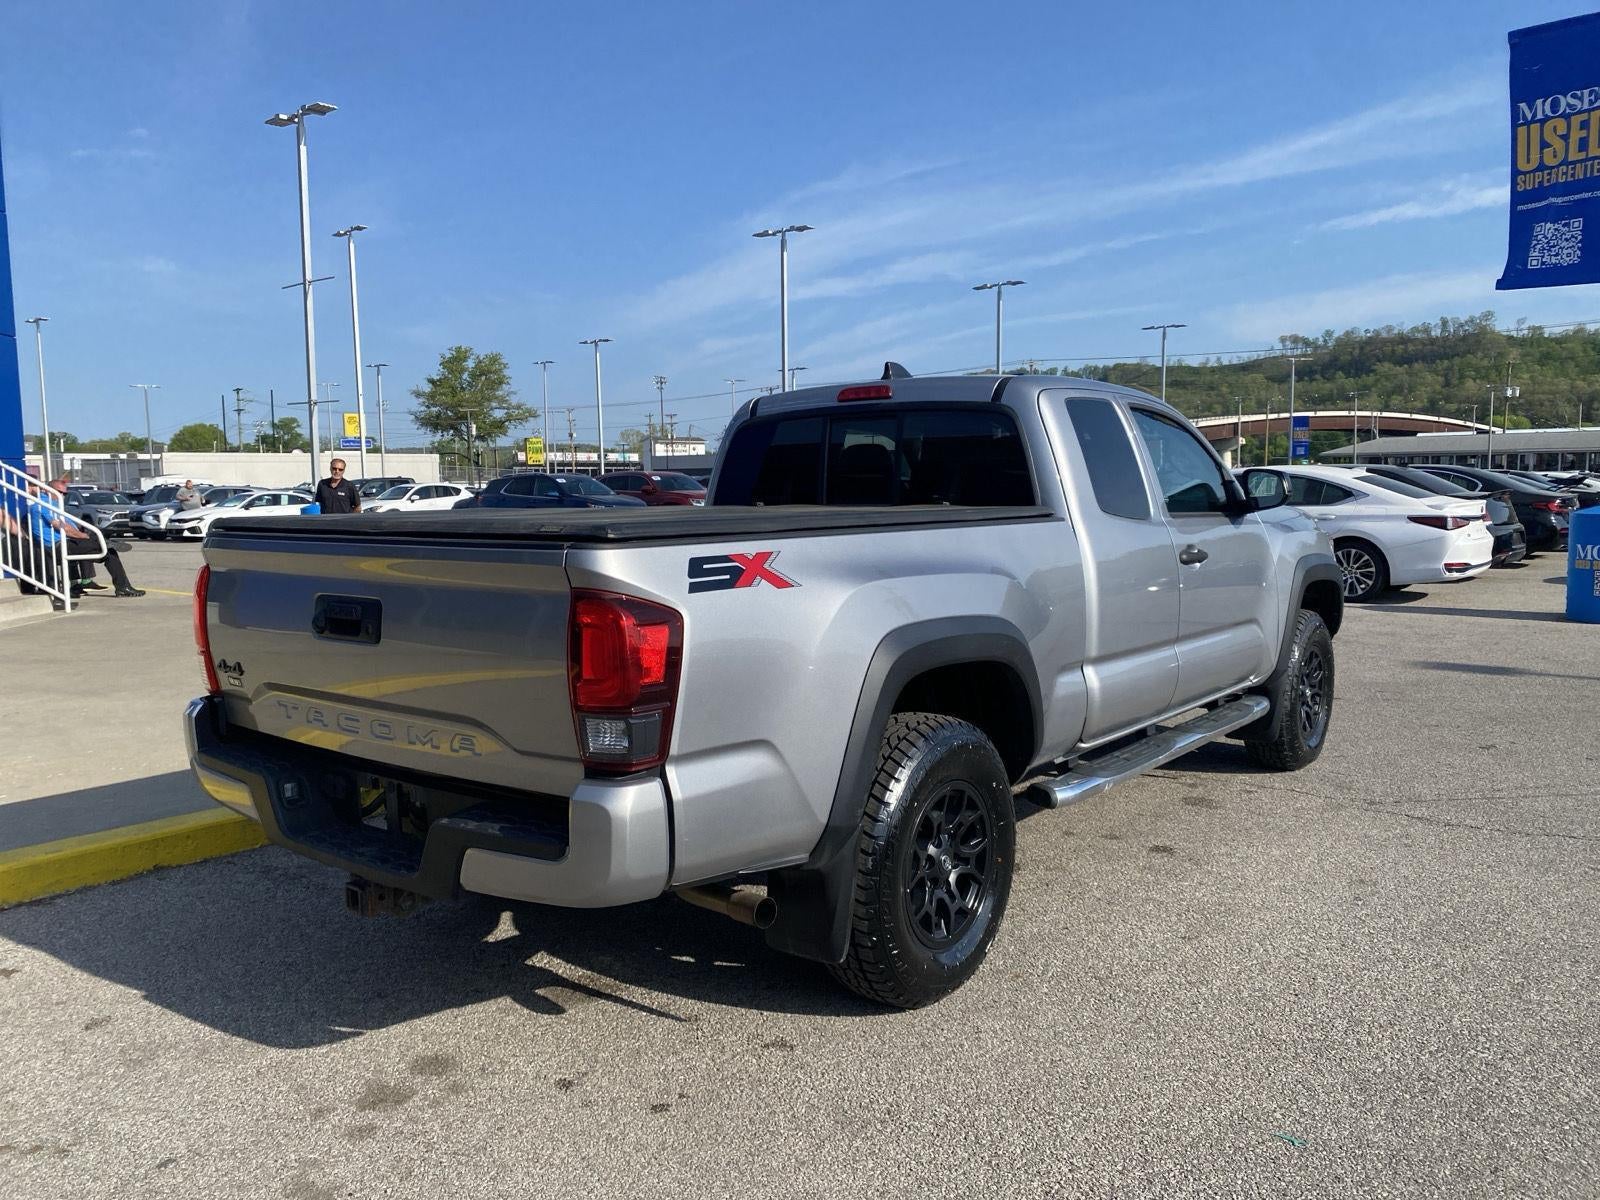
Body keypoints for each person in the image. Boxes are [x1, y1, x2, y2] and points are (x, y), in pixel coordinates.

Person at [38, 480, 145, 600]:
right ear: (49, 490)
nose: (63, 496)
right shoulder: (44, 504)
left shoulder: (54, 504)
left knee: (108, 552)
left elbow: (68, 525)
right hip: (58, 545)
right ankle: (105, 545)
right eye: (60, 493)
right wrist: (83, 536)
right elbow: (63, 527)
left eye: (65, 494)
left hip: (68, 542)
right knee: (101, 544)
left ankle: (122, 586)